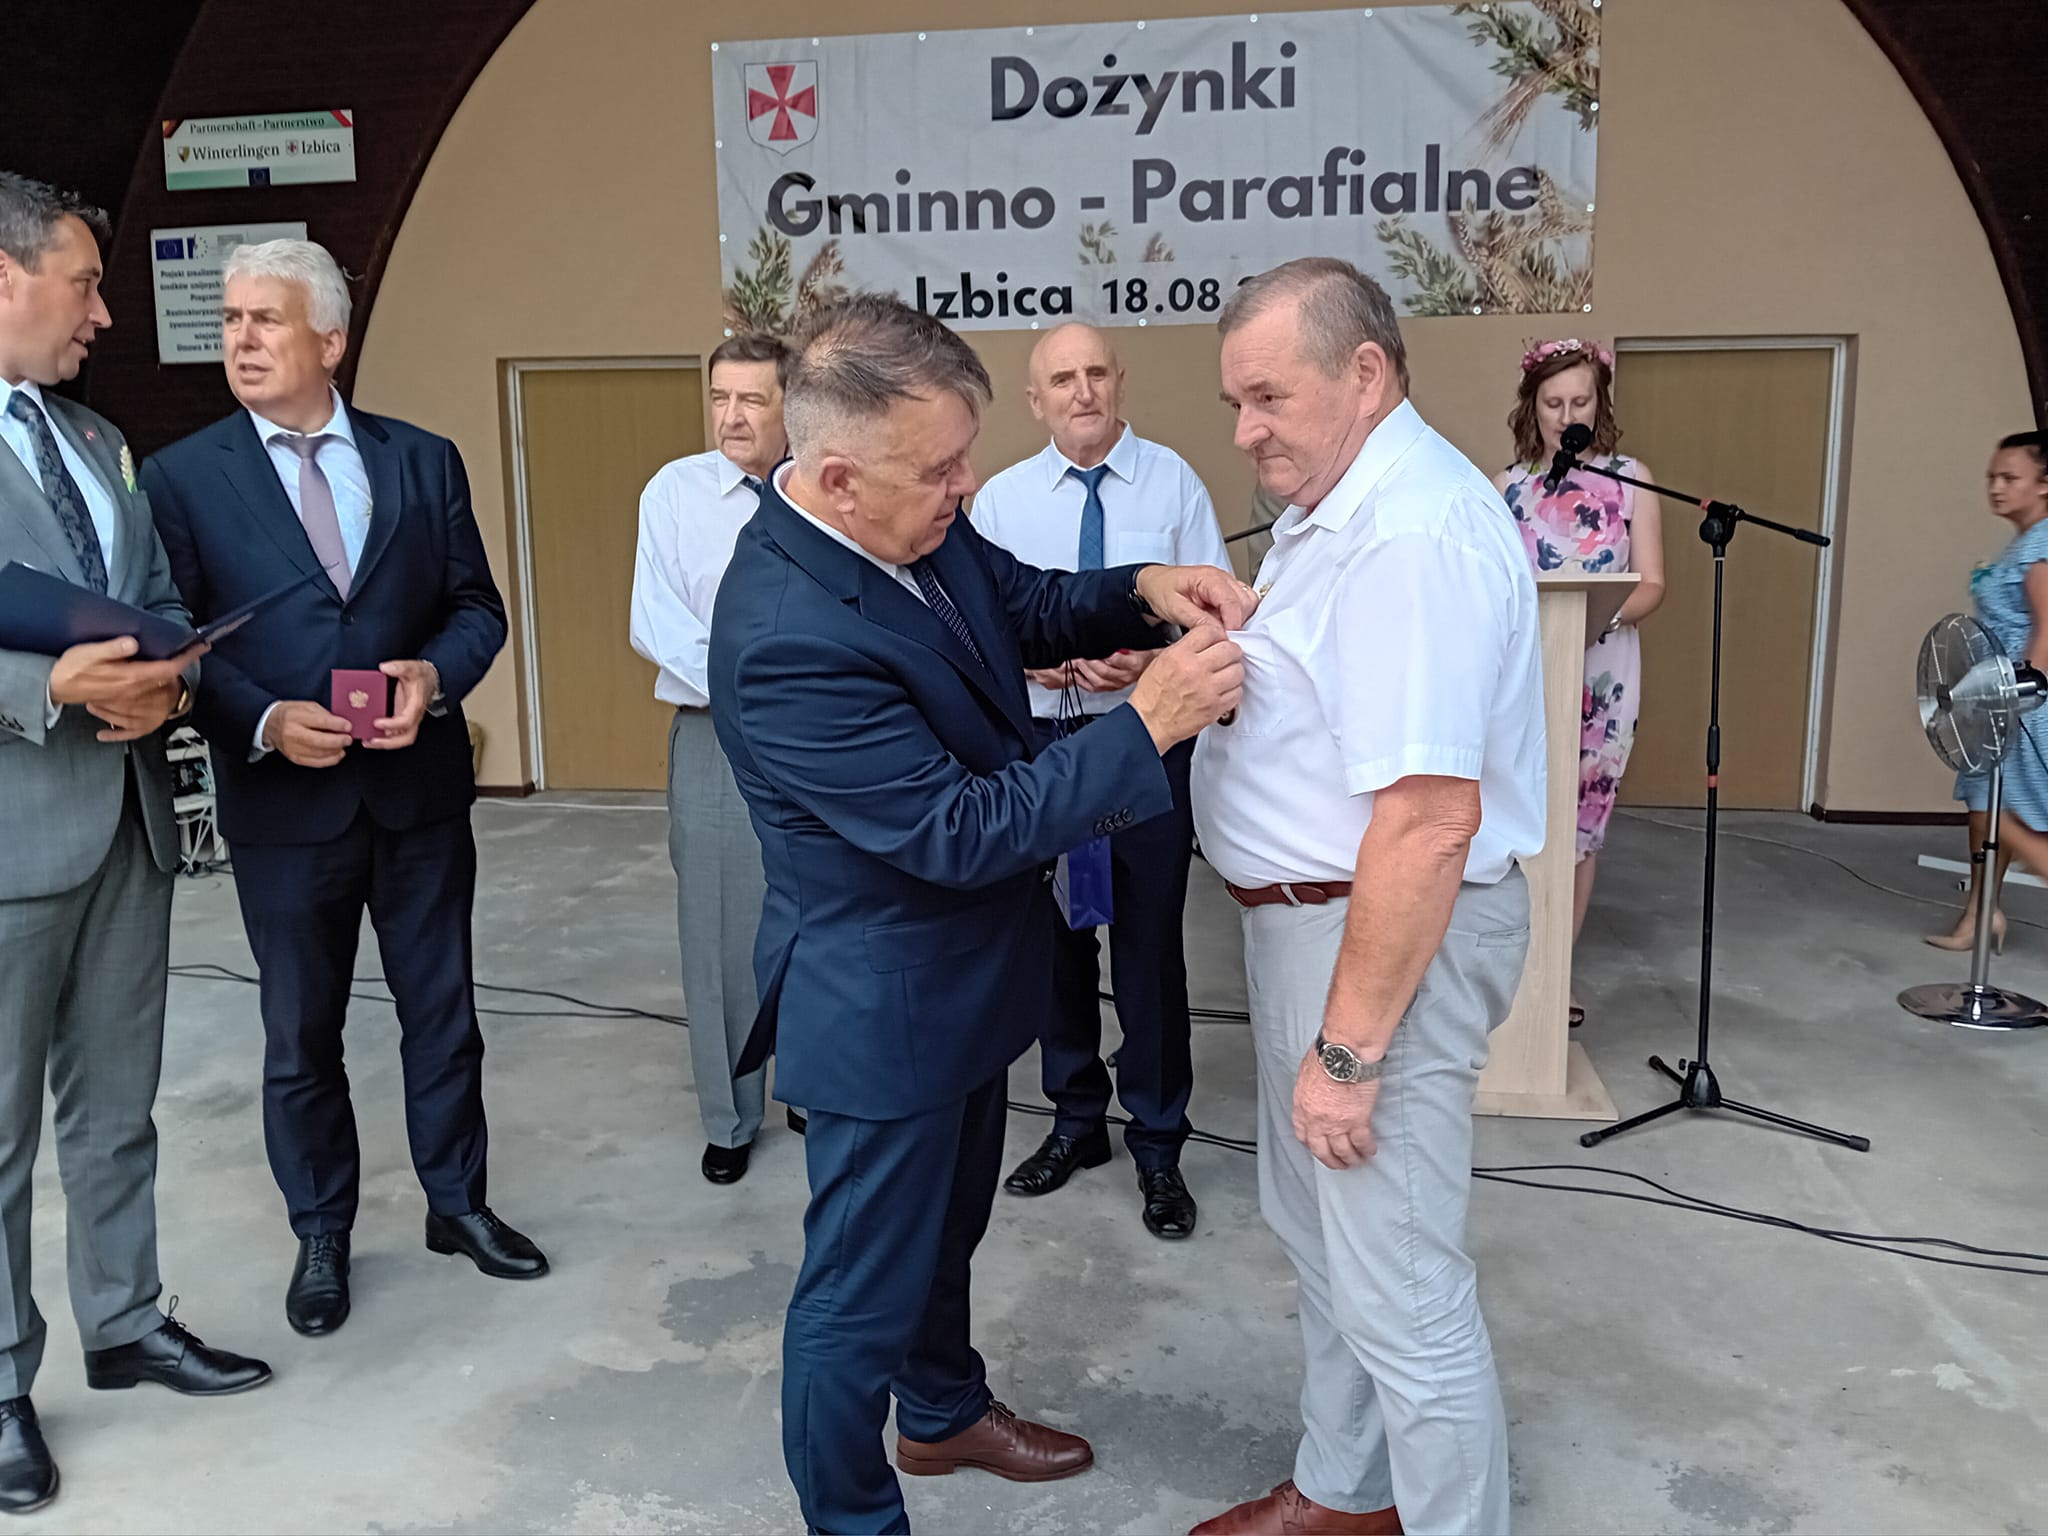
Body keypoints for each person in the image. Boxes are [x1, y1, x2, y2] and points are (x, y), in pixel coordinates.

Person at [708, 292, 1252, 1534]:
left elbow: (1024, 602)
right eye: (939, 470)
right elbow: (958, 828)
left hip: (959, 977)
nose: (965, 487)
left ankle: (942, 1410)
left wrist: (1143, 586)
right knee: (855, 1299)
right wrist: (1146, 726)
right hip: (881, 1001)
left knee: (944, 1231)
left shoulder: (915, 524)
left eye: (965, 456)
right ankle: (855, 1519)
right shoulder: (784, 633)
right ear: (836, 479)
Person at [1190, 258, 1545, 1536]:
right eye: (1234, 404)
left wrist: (1346, 1055)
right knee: (1328, 1242)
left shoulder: (1410, 533)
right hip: (1314, 923)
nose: (1245, 432)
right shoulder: (1340, 506)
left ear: (1364, 372)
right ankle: (1346, 1493)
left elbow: (1427, 819)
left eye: (1266, 397)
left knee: (1398, 1280)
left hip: (1373, 938)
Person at [141, 238, 545, 1343]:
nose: (241, 340)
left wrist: (434, 676)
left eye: (264, 320)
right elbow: (176, 642)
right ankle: (321, 1230)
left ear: (330, 339)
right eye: (230, 321)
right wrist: (266, 720)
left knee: (443, 1015)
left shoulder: (423, 461)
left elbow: (476, 609)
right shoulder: (182, 477)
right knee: (299, 1034)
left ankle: (458, 1204)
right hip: (285, 805)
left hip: (416, 792)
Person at [0, 172, 269, 1516]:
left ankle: (123, 1321)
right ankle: (0, 1381)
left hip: (128, 821)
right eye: (86, 285)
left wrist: (169, 680)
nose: (104, 315)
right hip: (12, 837)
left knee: (116, 1107)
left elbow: (154, 597)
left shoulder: (101, 439)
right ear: (5, 279)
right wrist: (42, 684)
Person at [970, 322, 1232, 1240]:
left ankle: (1158, 1143)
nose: (1081, 392)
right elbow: (976, 622)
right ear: (1035, 399)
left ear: (1119, 382)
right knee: (1056, 944)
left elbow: (1218, 616)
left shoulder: (1175, 484)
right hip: (1042, 746)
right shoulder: (999, 502)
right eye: (1061, 379)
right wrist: (1024, 660)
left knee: (1150, 947)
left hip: (1150, 746)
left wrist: (1154, 661)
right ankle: (1076, 1121)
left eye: (1094, 374)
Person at [630, 332, 804, 1185]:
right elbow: (656, 622)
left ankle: (811, 1081)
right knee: (721, 928)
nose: (731, 417)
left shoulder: (826, 488)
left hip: (820, 730)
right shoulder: (675, 492)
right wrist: (759, 685)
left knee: (823, 913)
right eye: (720, 398)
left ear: (791, 407)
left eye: (752, 400)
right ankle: (729, 1116)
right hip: (715, 732)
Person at [1492, 338, 1664, 1028]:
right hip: (1524, 670)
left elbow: (1652, 584)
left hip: (1603, 672)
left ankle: (1554, 972)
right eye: (1554, 403)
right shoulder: (1507, 487)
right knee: (1518, 813)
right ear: (1532, 408)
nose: (1567, 416)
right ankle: (1507, 972)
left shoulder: (1632, 479)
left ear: (1601, 405)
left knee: (1579, 826)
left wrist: (1592, 621)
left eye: (1580, 401)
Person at [1931, 429, 2048, 950]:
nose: (1996, 488)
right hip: (1996, 697)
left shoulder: (2041, 546)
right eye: (1991, 477)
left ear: (2044, 484)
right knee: (1984, 806)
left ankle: (1981, 914)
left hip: (2021, 702)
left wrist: (2022, 694)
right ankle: (1979, 914)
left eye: (2010, 478)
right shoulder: (2023, 543)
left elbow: (2047, 629)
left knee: (2007, 814)